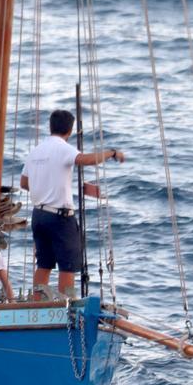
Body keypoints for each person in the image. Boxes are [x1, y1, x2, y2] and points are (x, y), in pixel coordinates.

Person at [20, 109, 124, 298]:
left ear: (50, 126)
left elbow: (24, 183)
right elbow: (84, 160)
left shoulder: (35, 151)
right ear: (70, 130)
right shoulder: (63, 148)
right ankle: (65, 308)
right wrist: (111, 153)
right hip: (60, 217)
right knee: (67, 266)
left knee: (43, 264)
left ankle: (35, 304)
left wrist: (44, 188)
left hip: (39, 215)